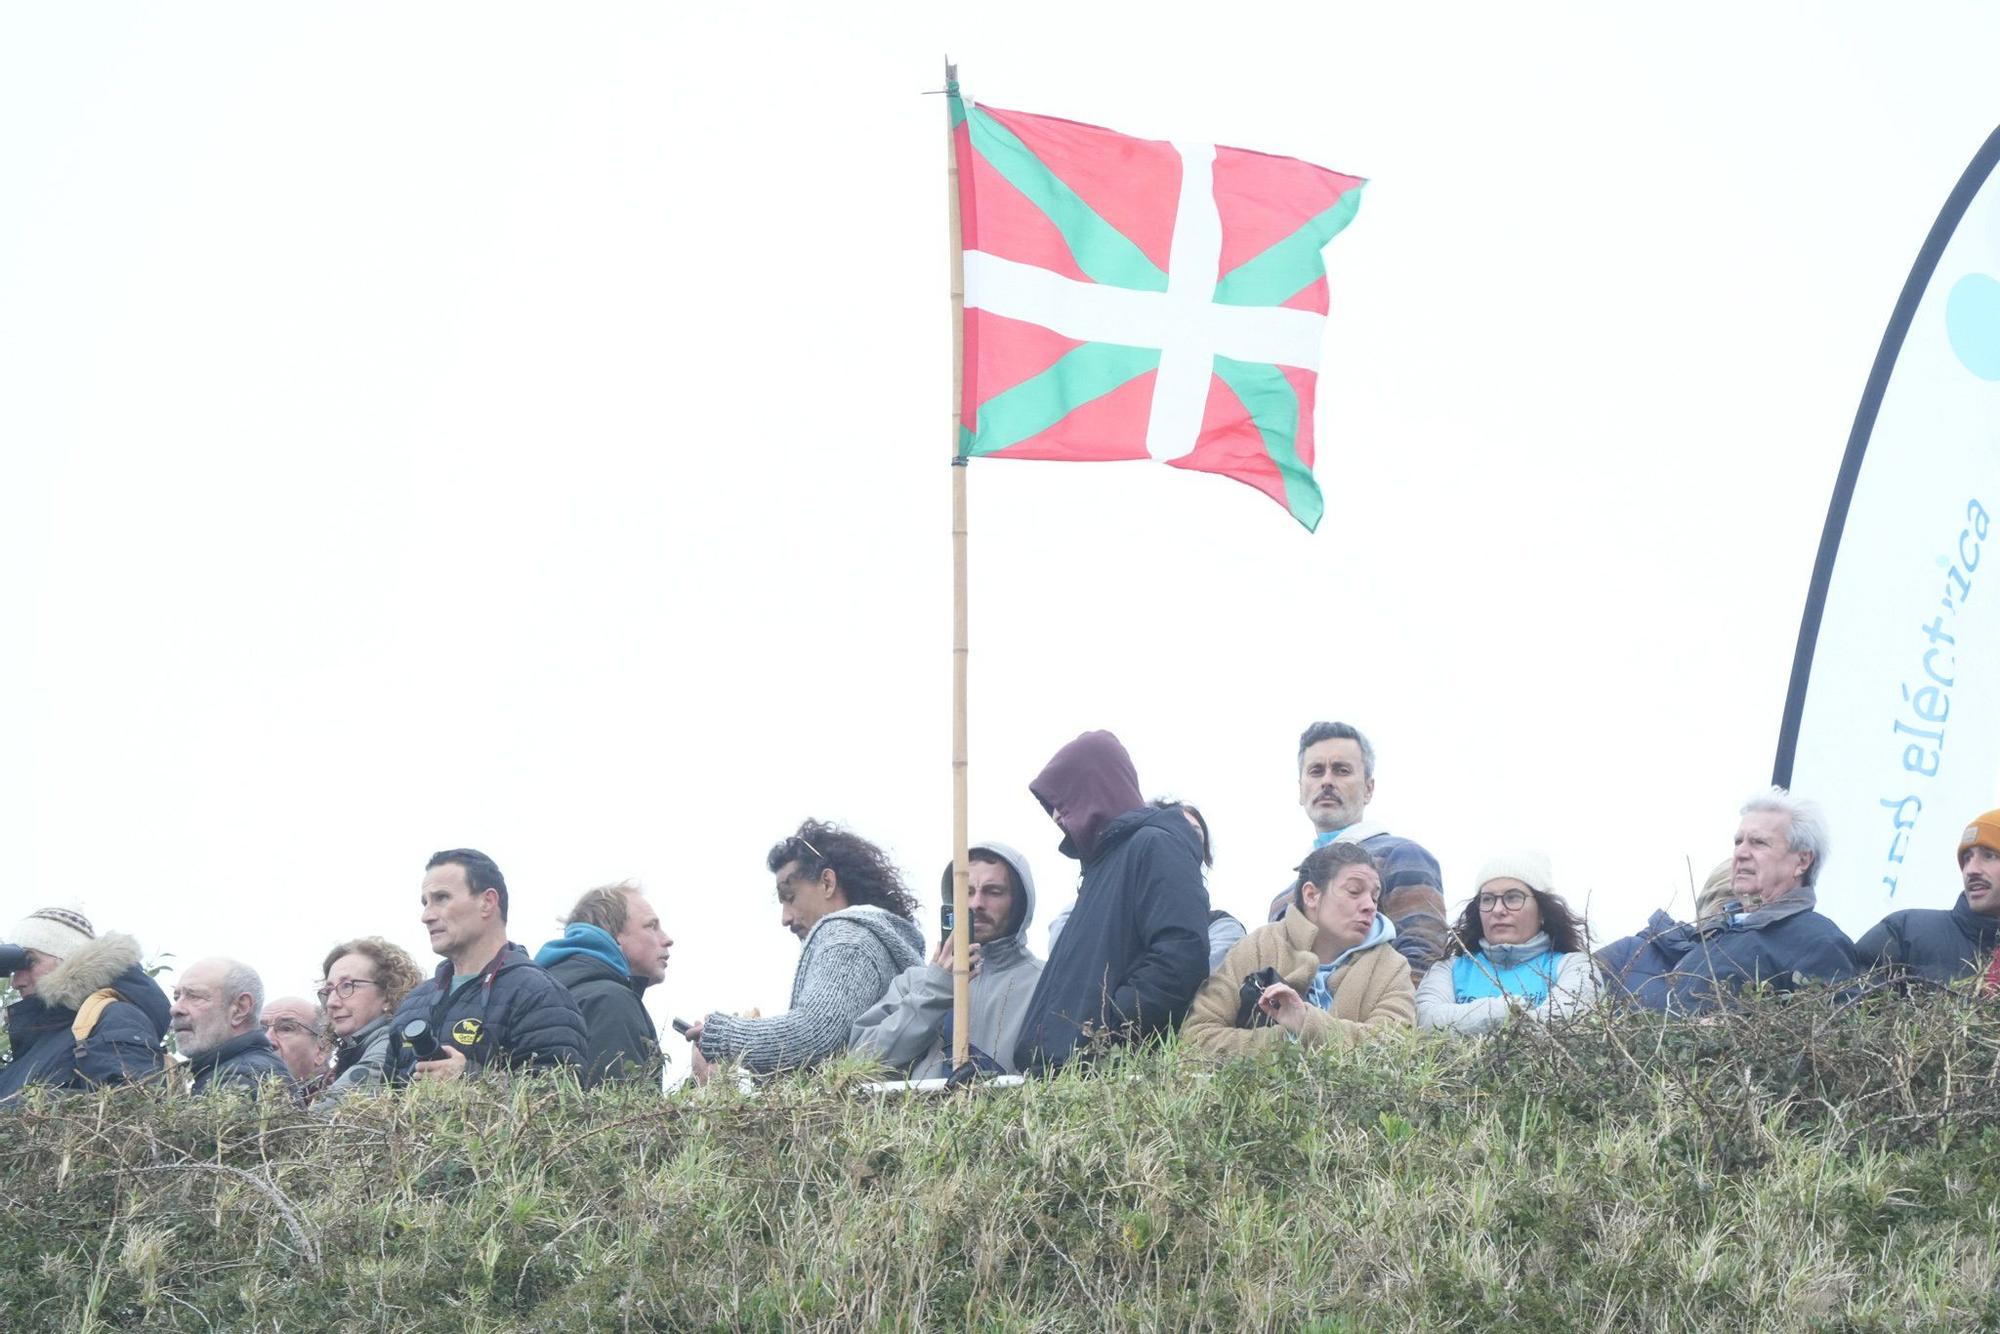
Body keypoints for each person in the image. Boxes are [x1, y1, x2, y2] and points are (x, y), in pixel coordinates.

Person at [1012, 731, 1210, 1073]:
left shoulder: (1155, 845)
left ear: (1096, 787)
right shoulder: (1102, 870)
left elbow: (1179, 958)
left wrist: (1100, 1035)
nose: (1057, 817)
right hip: (1068, 1080)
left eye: (1065, 800)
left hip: (1104, 1078)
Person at [691, 822, 924, 1078]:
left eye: (790, 897)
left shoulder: (848, 938)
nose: (785, 918)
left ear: (827, 882)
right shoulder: (877, 941)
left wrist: (722, 1035)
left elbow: (815, 1034)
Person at [1597, 789, 1860, 1012]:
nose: (1741, 853)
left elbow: (1824, 1053)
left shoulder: (1818, 942)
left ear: (1802, 861)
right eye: (1738, 842)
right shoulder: (1719, 935)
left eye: (1759, 843)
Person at [1183, 842, 1415, 1056]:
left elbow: (1396, 1047)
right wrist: (1287, 1041)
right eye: (1354, 891)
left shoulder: (1392, 966)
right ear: (1312, 895)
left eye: (1375, 898)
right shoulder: (1257, 946)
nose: (1369, 906)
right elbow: (1197, 1036)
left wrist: (1306, 1023)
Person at [1263, 722, 1448, 982]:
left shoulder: (1403, 857)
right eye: (1316, 771)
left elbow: (1422, 959)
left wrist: (1384, 1021)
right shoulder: (1282, 901)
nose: (1327, 781)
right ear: (1301, 789)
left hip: (1379, 1019)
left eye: (1341, 770)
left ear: (1369, 789)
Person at [387, 848, 587, 1080]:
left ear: (487, 902)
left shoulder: (538, 993)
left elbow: (561, 1097)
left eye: (441, 898)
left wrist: (467, 1078)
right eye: (425, 903)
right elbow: (381, 1102)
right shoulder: (413, 1003)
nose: (427, 916)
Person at [849, 840, 1043, 1077]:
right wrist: (935, 991)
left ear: (1020, 902)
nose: (976, 904)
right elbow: (859, 1062)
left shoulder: (1045, 983)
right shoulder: (913, 983)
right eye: (966, 892)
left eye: (994, 892)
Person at [1415, 853, 1600, 1035]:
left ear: (1542, 910)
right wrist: (1507, 1010)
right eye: (1487, 899)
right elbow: (1428, 1022)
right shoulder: (1448, 968)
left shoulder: (1575, 967)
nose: (1498, 910)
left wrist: (1466, 1022)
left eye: (1513, 897)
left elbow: (1560, 1028)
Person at [1047, 801, 1244, 970]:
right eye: (1170, 831)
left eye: (1194, 835)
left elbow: (1201, 982)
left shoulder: (1223, 928)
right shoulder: (1079, 915)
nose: (1182, 839)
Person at [0, 908, 169, 1101]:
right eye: (13, 969)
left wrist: (26, 1107)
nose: (16, 982)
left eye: (29, 962)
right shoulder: (35, 1046)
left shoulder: (113, 1016)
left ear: (67, 962)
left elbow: (134, 1107)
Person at [535, 881, 674, 1086]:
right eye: (651, 926)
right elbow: (626, 1114)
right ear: (614, 935)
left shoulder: (547, 993)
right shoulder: (610, 1001)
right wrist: (703, 1083)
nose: (667, 939)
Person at [1856, 808, 2000, 988]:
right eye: (1967, 857)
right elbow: (1846, 1001)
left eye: (1989, 855)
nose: (1971, 869)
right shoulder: (1905, 932)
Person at [314, 936, 425, 1107]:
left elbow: (323, 1118)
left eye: (348, 986)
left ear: (388, 994)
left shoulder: (388, 1048)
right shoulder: (358, 1048)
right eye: (329, 990)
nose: (331, 1002)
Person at [172, 958, 296, 1096]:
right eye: (176, 997)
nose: (175, 1009)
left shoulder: (239, 1079)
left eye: (194, 996)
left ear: (239, 1009)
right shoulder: (233, 1072)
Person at [261, 995, 332, 1092]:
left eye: (286, 1029)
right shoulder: (243, 1094)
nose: (266, 1040)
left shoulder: (345, 1099)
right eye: (261, 1030)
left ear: (322, 1049)